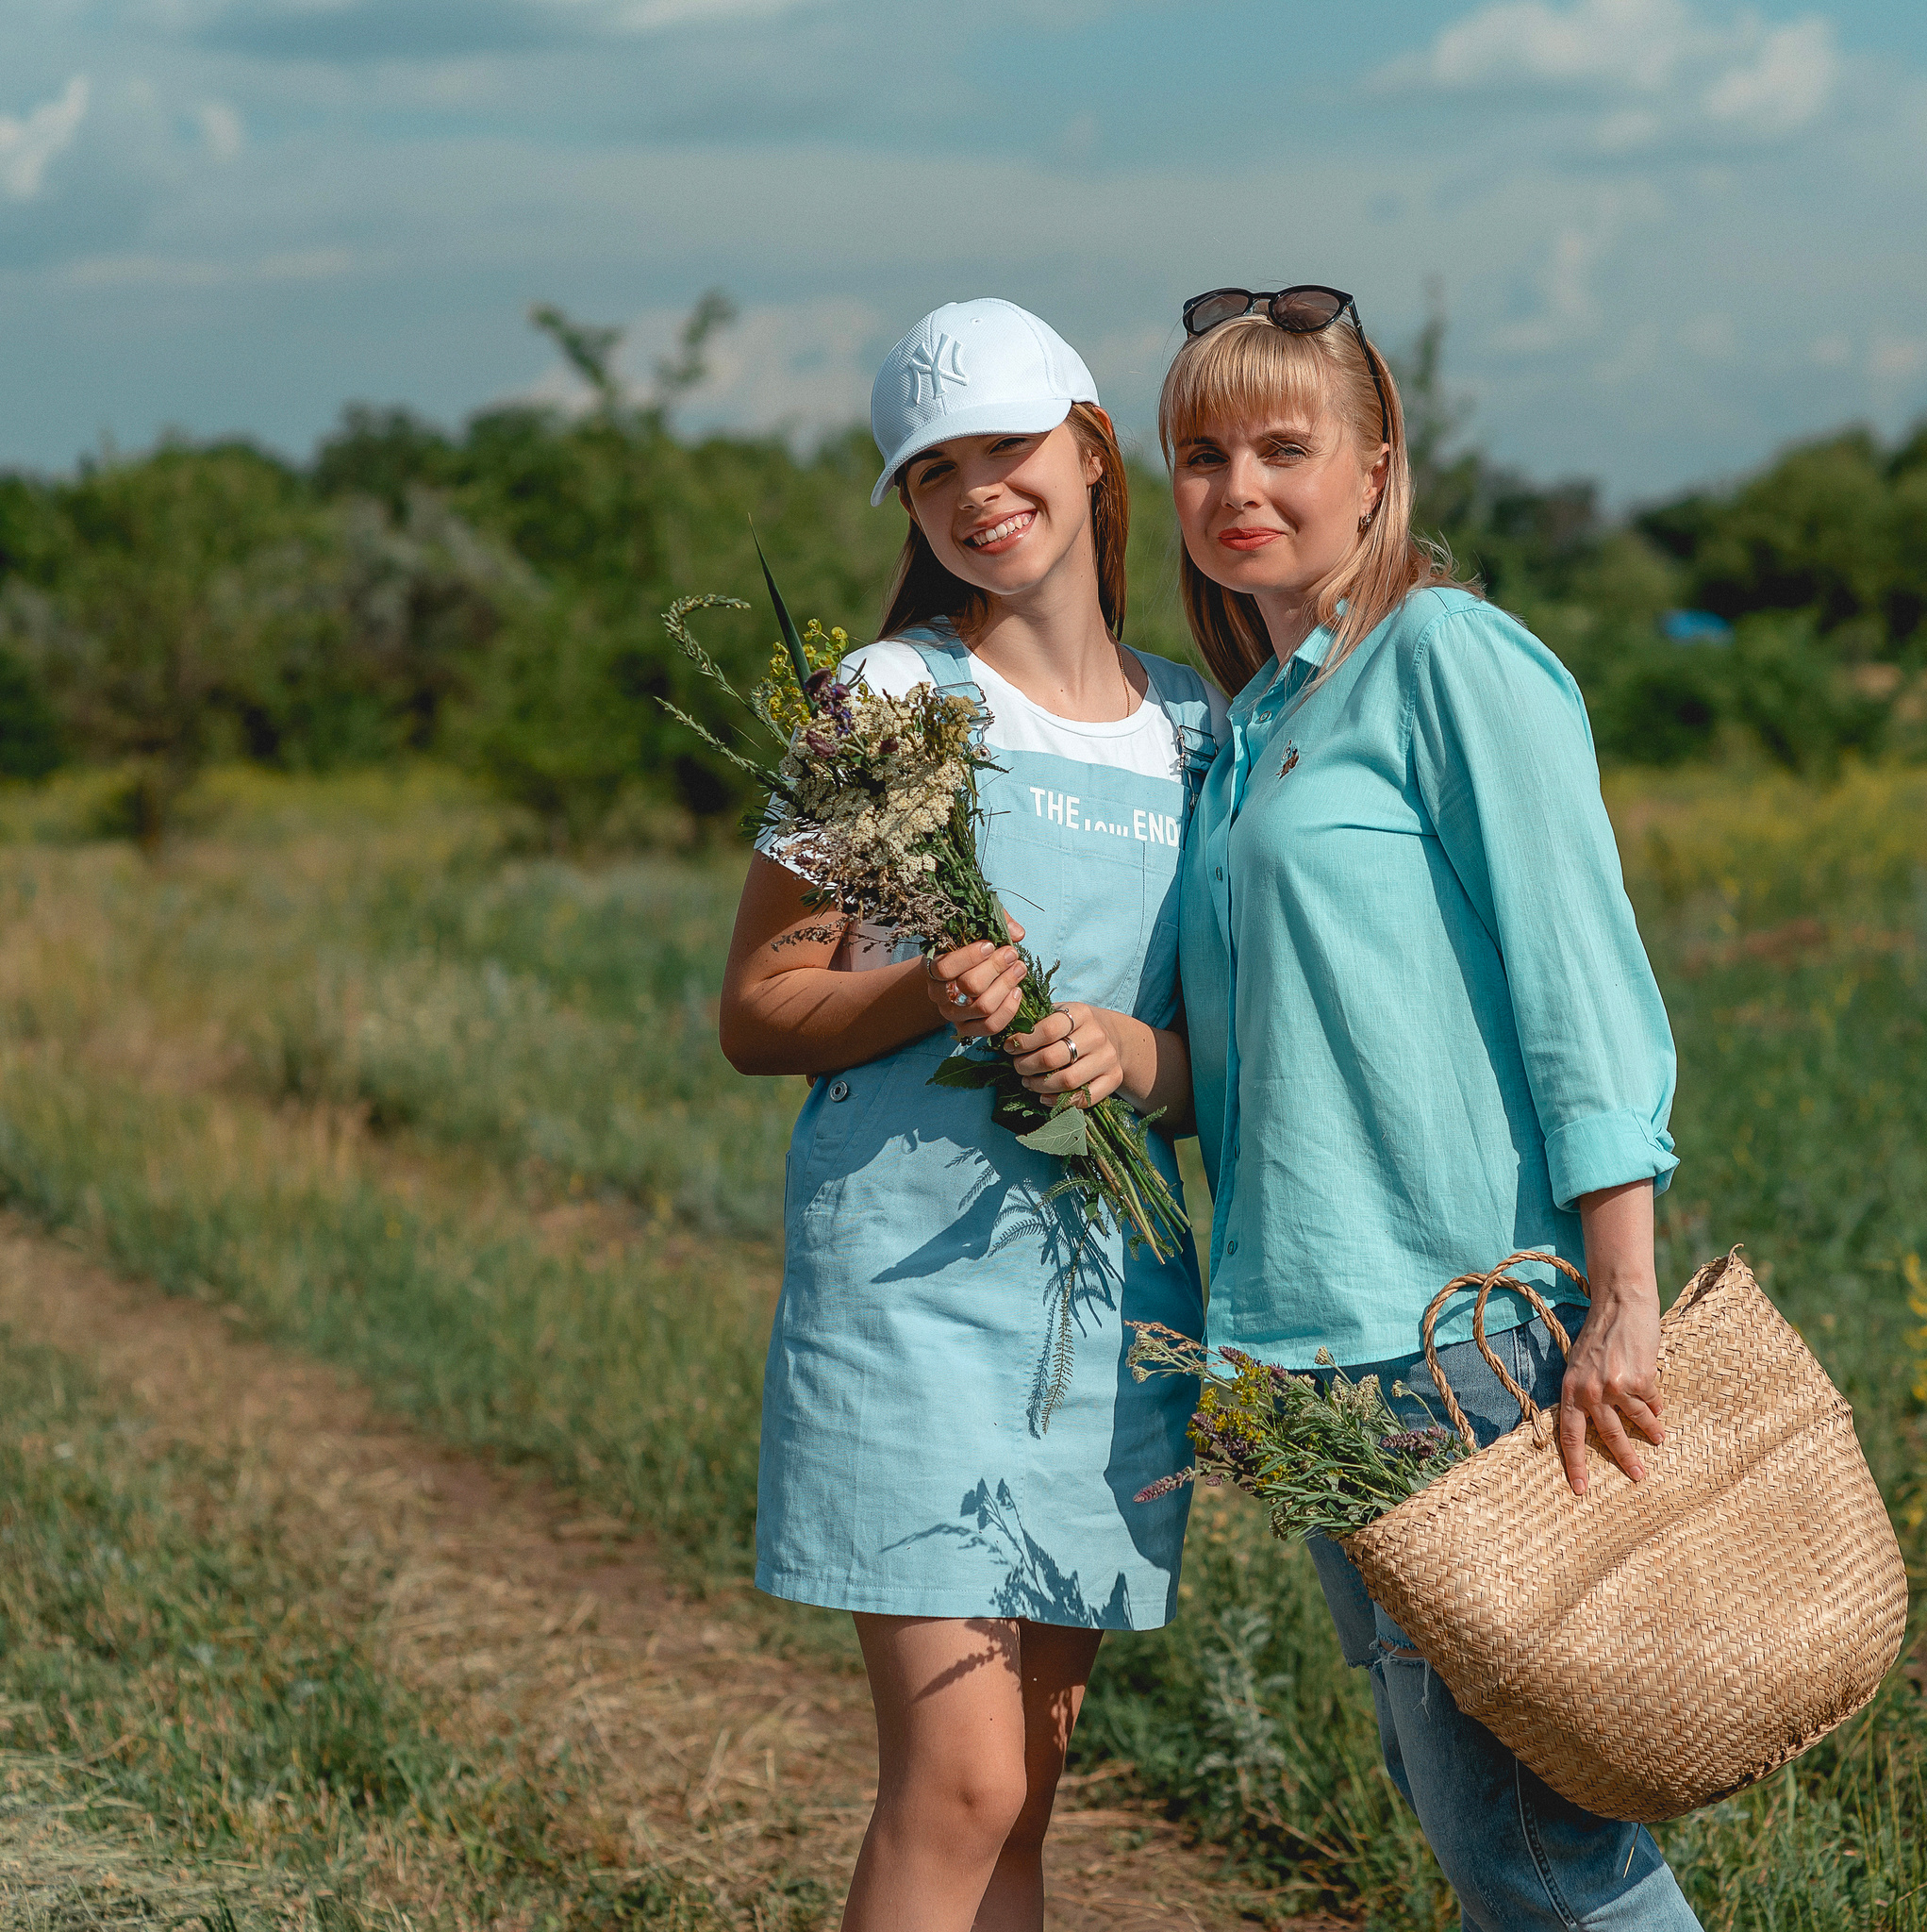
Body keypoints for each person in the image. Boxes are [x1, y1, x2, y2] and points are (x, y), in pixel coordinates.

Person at [1161, 285, 1706, 1930]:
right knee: (1470, 1823)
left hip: (1464, 1331)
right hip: (1315, 1350)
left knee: (1542, 1852)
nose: (1240, 487)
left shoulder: (1448, 661)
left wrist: (1620, 1299)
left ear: (1378, 462)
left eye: (1284, 445)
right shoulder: (1250, 732)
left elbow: (1582, 983)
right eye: (1202, 454)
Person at [720, 297, 1225, 1932]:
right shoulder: (888, 699)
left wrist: (1131, 1063)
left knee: (1032, 1788)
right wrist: (924, 988)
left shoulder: (1199, 732)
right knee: (961, 1784)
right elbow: (760, 1007)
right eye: (931, 471)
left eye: (1001, 448)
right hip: (914, 1306)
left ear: (1089, 450)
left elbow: (1221, 1060)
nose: (971, 491)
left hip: (1108, 1309)